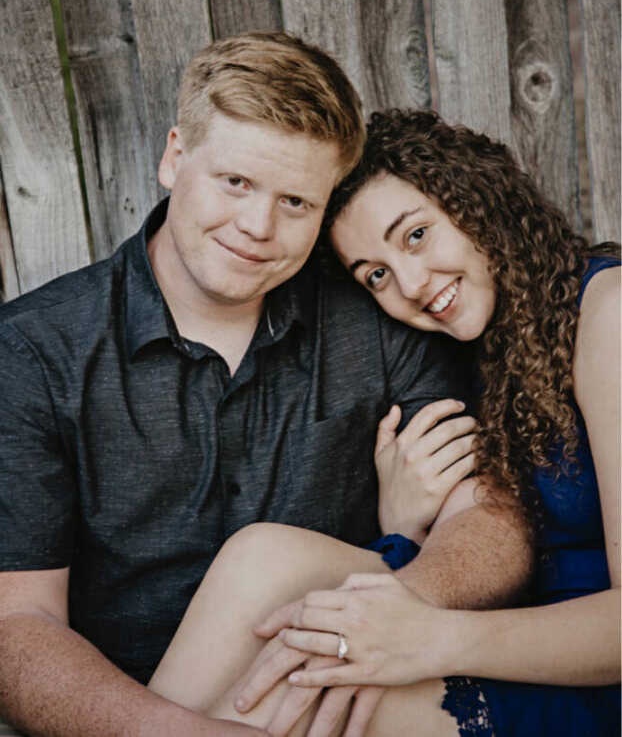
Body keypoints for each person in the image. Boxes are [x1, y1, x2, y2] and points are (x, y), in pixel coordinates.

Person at [0, 38, 532, 737]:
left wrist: (391, 610)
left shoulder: (377, 315)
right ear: (175, 157)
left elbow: (493, 519)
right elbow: (17, 624)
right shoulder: (32, 351)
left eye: (295, 201)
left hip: (333, 695)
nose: (257, 227)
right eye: (235, 183)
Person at [177, 109, 616, 735]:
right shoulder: (495, 347)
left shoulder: (609, 313)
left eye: (415, 235)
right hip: (517, 648)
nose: (409, 285)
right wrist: (405, 526)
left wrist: (433, 638)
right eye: (376, 275)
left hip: (595, 687)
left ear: (478, 202)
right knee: (261, 559)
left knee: (303, 696)